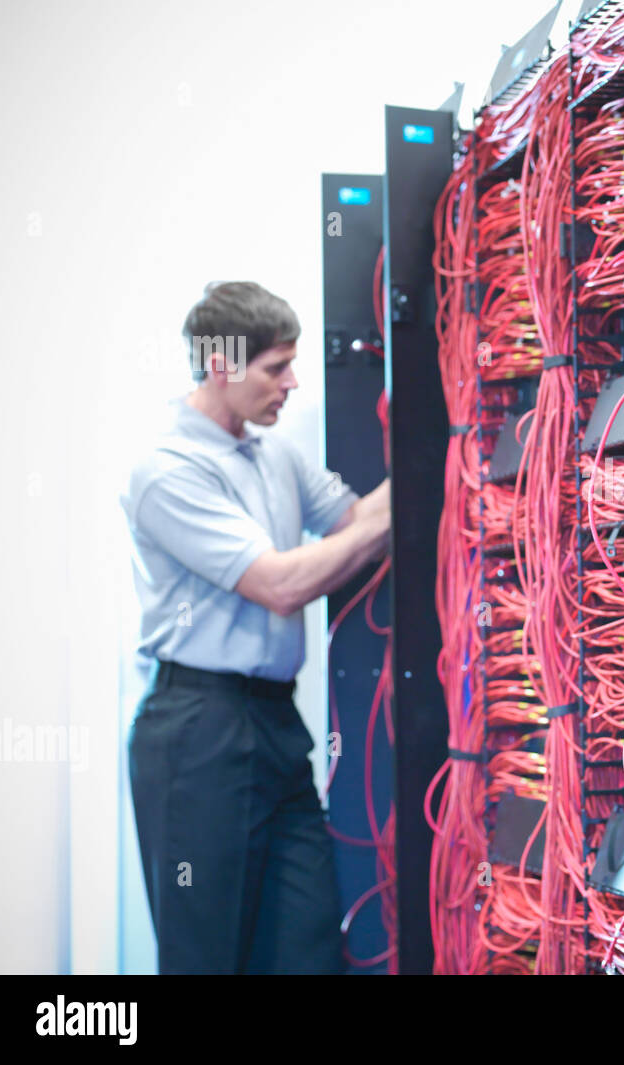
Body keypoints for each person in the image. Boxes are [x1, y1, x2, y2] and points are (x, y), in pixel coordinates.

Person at [120, 281, 391, 974]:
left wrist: (443, 449)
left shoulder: (272, 454)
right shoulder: (167, 471)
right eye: (276, 367)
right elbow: (279, 584)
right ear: (221, 365)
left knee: (306, 946)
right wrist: (401, 509)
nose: (292, 383)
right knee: (207, 954)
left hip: (272, 730)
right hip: (198, 735)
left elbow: (355, 523)